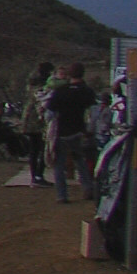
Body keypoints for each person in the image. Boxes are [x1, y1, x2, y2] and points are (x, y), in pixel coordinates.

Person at [45, 62, 97, 203]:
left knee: (59, 165)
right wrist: (89, 130)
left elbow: (49, 112)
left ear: (69, 74)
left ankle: (62, 195)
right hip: (78, 131)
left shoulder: (61, 91)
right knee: (80, 161)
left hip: (61, 132)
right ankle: (87, 188)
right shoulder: (87, 91)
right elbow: (92, 113)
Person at [19, 62, 54, 187]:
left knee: (35, 150)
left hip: (30, 120)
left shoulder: (31, 85)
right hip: (36, 121)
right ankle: (38, 176)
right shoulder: (40, 89)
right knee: (41, 149)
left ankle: (36, 176)